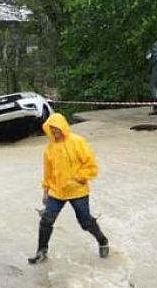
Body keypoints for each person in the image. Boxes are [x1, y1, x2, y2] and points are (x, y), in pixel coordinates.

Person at [27, 113, 109, 264]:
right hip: (57, 191)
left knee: (85, 222)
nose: (54, 132)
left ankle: (102, 240)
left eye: (57, 128)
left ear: (63, 127)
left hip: (77, 190)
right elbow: (48, 172)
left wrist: (79, 178)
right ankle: (41, 252)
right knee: (46, 220)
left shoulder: (78, 142)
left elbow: (91, 165)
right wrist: (45, 191)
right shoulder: (49, 149)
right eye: (51, 129)